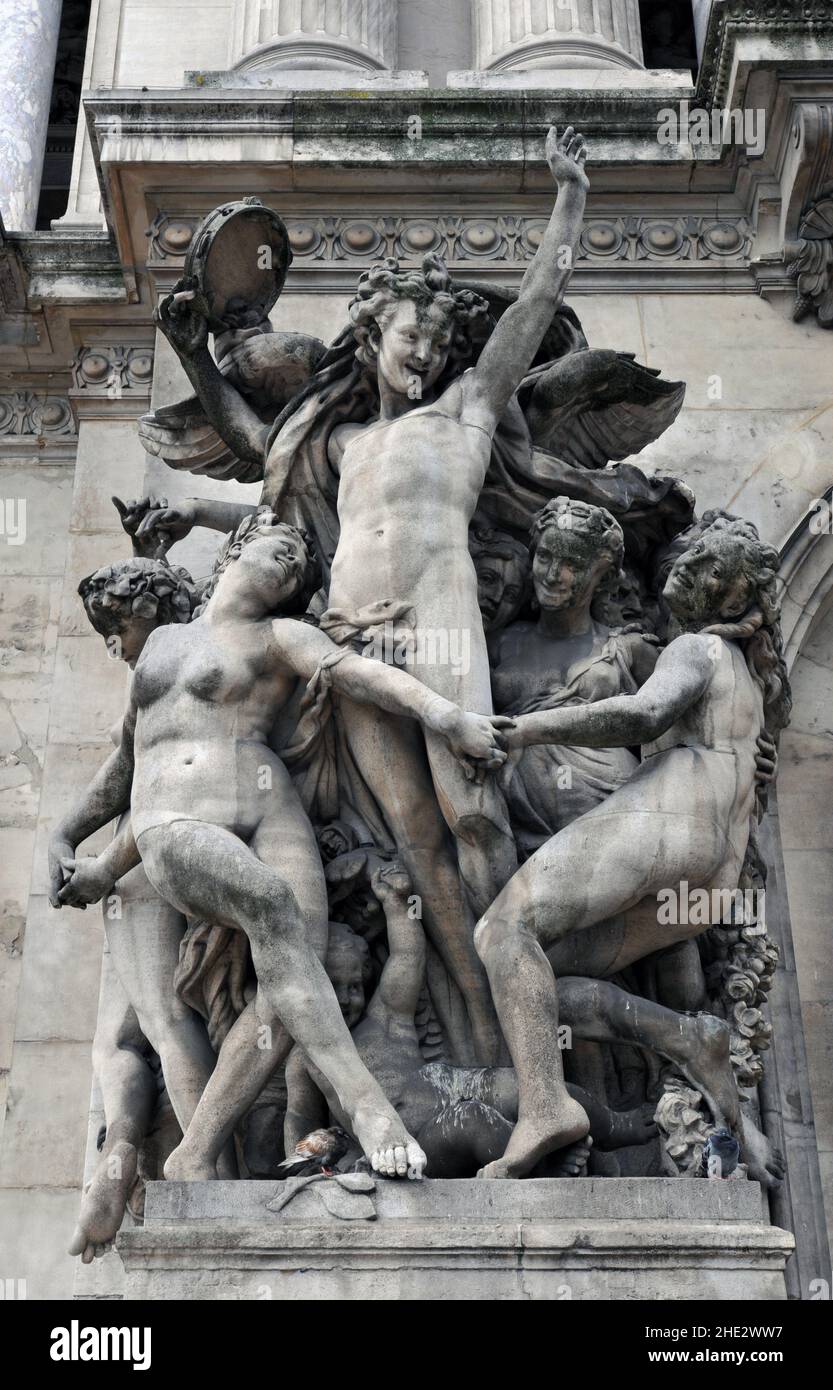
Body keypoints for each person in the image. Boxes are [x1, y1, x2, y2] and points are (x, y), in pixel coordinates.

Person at [152, 125, 590, 1066]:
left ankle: (531, 1033)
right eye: (410, 336)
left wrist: (570, 195)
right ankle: (481, 1049)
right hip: (349, 637)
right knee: (415, 838)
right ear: (372, 336)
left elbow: (536, 303)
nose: (425, 353)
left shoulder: (469, 412)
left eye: (438, 340)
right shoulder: (339, 444)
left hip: (437, 622)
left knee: (475, 816)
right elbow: (252, 442)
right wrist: (195, 356)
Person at [54, 512, 506, 1181]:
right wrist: (68, 835)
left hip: (272, 813)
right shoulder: (164, 642)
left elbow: (358, 675)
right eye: (282, 551)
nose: (290, 568)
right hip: (174, 819)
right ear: (238, 548)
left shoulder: (282, 636)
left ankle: (195, 1154)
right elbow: (126, 763)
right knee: (273, 911)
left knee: (296, 976)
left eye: (299, 569)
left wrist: (448, 716)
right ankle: (370, 1110)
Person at [473, 515, 791, 1180]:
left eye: (713, 571)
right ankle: (690, 1040)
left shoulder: (695, 650)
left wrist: (523, 729)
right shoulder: (744, 670)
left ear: (737, 600)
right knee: (537, 982)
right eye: (696, 555)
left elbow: (642, 715)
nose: (691, 570)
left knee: (503, 929)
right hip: (709, 880)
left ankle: (544, 1109)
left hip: (671, 816)